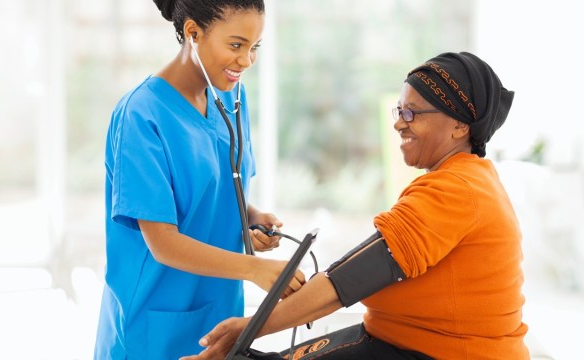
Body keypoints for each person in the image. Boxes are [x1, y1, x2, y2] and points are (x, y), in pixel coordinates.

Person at [182, 51, 529, 360]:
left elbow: (347, 281)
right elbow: (351, 271)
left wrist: (247, 329)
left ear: (459, 125)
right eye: (400, 109)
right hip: (403, 341)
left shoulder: (456, 191)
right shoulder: (466, 179)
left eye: (413, 113)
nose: (398, 122)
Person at [93, 1, 307, 359]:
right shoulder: (141, 115)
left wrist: (249, 215)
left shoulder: (232, 95)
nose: (246, 61)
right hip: (152, 324)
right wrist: (256, 268)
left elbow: (217, 185)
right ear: (193, 33)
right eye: (236, 45)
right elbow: (163, 242)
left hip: (219, 313)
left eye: (254, 48)